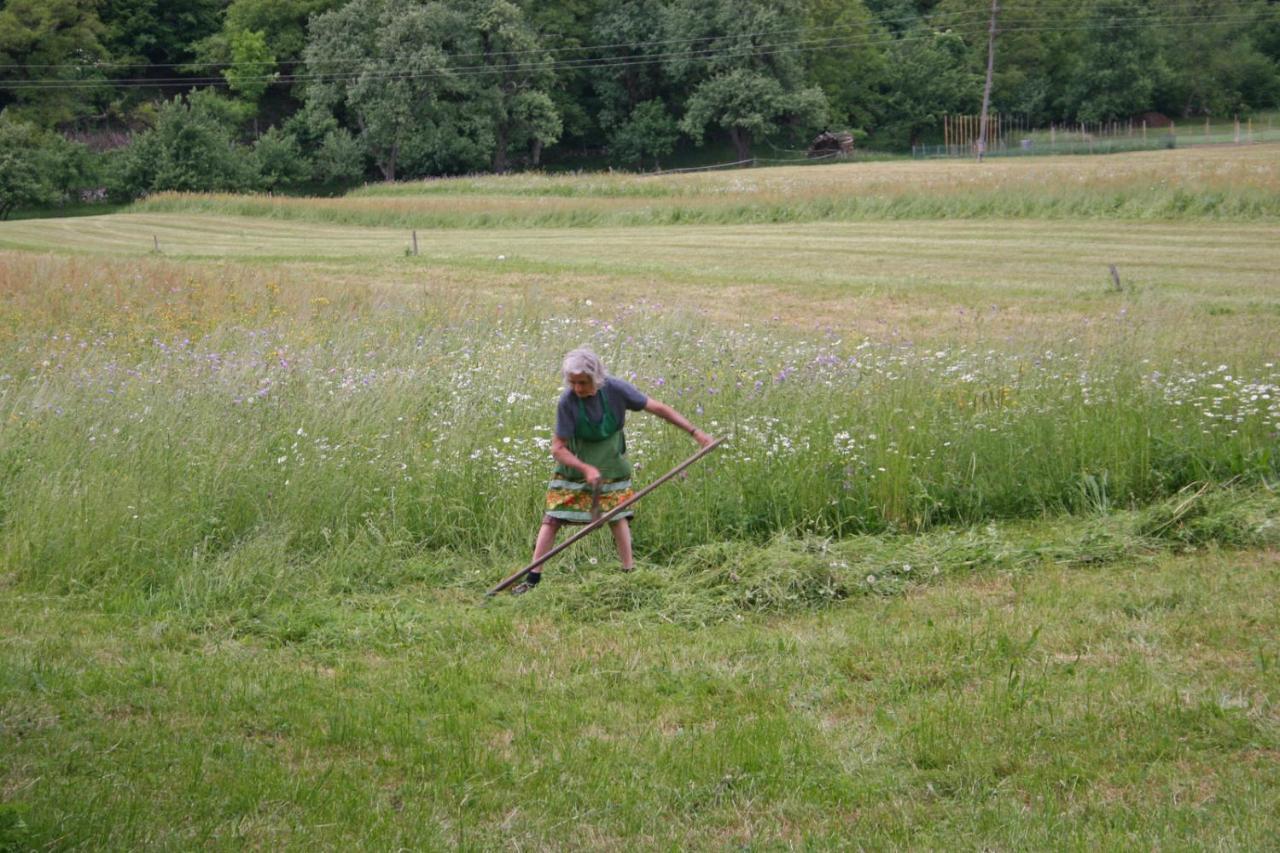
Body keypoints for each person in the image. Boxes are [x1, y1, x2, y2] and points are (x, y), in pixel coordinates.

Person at [511, 347, 714, 594]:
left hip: (611, 463)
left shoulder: (617, 390)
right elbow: (557, 448)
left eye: (583, 383)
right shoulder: (568, 402)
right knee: (553, 518)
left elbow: (658, 408)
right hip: (575, 467)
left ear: (596, 378)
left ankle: (629, 573)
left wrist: (696, 433)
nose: (577, 388)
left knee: (617, 516)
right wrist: (584, 468)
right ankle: (532, 579)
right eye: (573, 383)